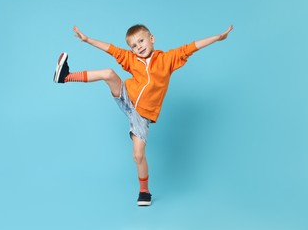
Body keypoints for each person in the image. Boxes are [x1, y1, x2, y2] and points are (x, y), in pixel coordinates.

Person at [54, 24, 233, 206]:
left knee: (138, 156)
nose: (138, 46)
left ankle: (144, 192)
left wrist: (217, 37)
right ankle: (65, 77)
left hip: (141, 116)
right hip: (126, 97)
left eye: (141, 41)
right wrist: (87, 40)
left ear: (151, 39)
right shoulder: (132, 59)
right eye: (133, 45)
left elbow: (190, 48)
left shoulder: (167, 60)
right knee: (108, 73)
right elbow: (112, 50)